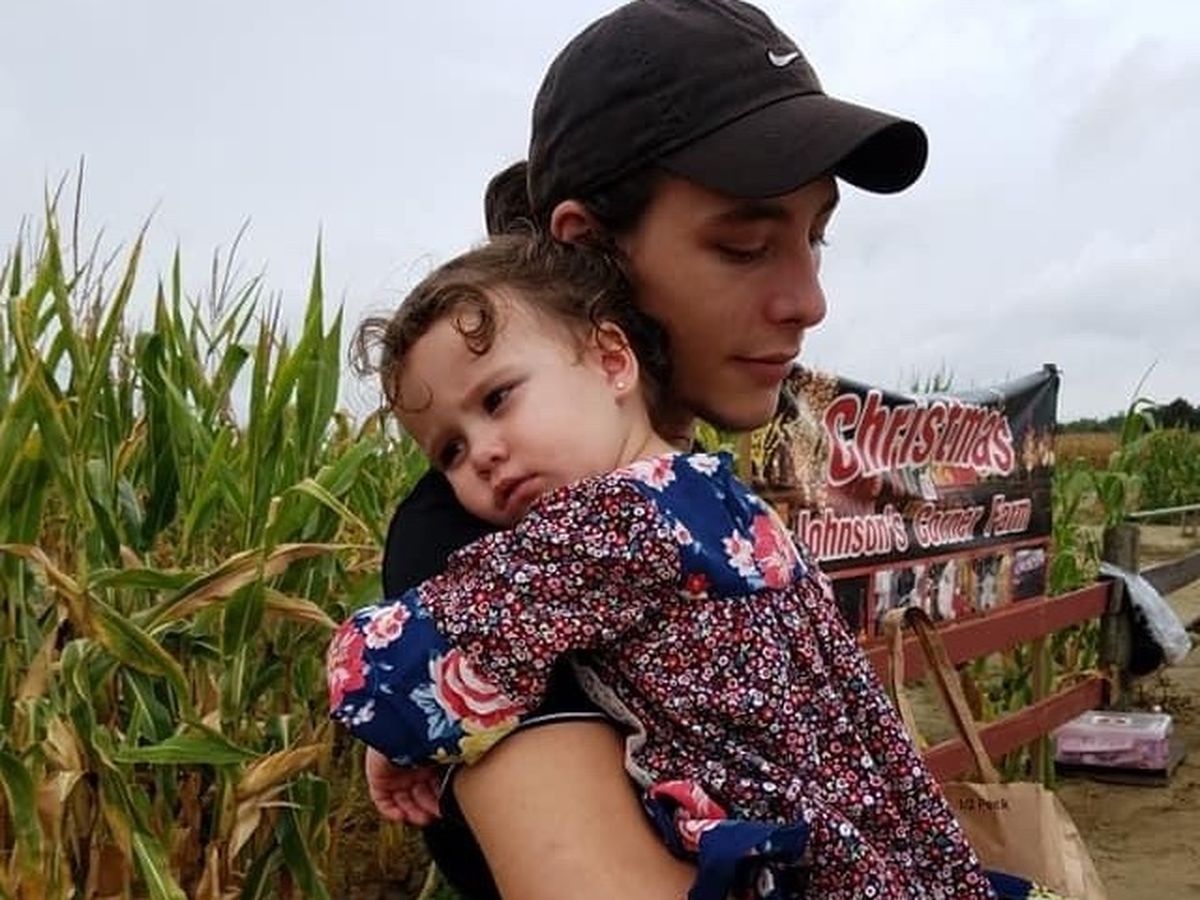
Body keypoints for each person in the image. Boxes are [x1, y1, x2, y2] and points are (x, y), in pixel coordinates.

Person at [366, 1, 952, 897]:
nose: (809, 300)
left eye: (815, 237)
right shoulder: (498, 537)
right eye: (745, 245)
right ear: (591, 249)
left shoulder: (699, 494)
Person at [332, 232, 1001, 900]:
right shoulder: (728, 501)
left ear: (612, 361)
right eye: (449, 451)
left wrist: (392, 741)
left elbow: (412, 662)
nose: (482, 453)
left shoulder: (609, 523)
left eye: (498, 399)